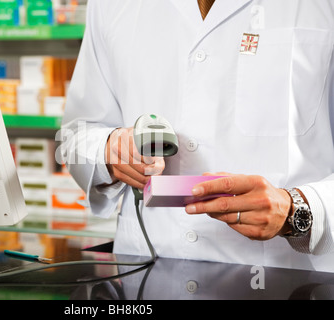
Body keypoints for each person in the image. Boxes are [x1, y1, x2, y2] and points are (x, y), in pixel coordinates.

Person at [59, 0, 334, 272]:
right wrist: (108, 150)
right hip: (144, 268)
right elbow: (77, 132)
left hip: (285, 273)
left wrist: (297, 209)